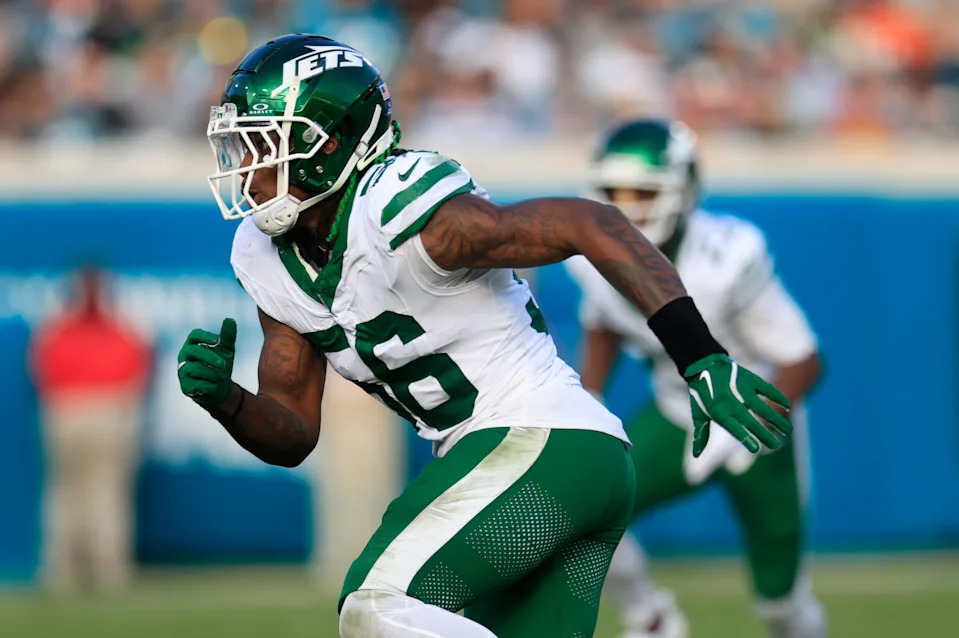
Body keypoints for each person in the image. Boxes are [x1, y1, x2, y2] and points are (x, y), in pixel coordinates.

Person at [177, 34, 791, 638]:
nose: (247, 166)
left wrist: (701, 356)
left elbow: (591, 222)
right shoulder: (265, 257)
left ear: (328, 144)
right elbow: (293, 433)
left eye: (263, 143)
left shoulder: (395, 208)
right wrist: (227, 401)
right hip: (550, 463)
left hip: (542, 441)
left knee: (376, 606)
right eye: (240, 145)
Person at [565, 119, 826, 638]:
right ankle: (652, 620)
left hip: (756, 423)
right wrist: (585, 397)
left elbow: (805, 361)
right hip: (674, 413)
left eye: (644, 191)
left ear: (681, 190)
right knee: (581, 515)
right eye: (615, 192)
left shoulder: (729, 255)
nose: (629, 205)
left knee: (781, 605)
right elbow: (603, 324)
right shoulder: (593, 258)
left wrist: (748, 430)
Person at [31, 265, 151, 593]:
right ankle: (109, 573)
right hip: (103, 411)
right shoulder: (120, 324)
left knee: (66, 496)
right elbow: (138, 367)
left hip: (67, 410)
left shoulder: (57, 326)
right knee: (104, 495)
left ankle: (63, 575)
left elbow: (40, 368)